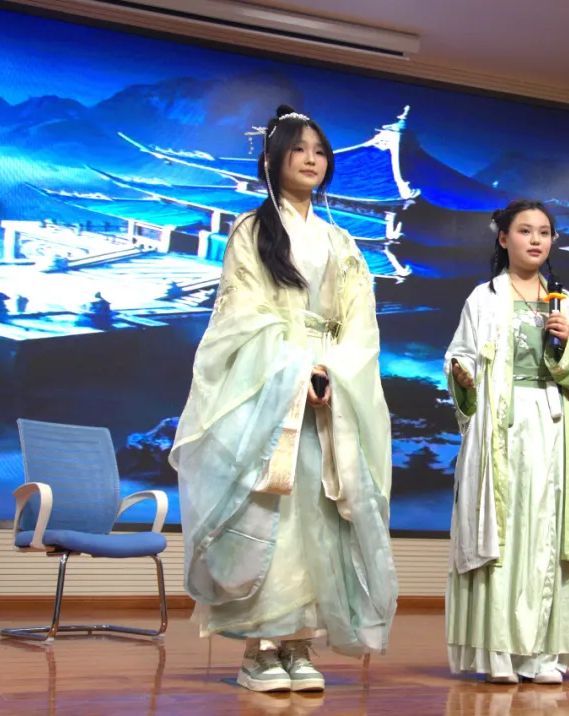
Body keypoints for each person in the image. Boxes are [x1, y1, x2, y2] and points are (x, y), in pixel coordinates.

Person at [169, 105, 398, 693]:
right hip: (271, 387)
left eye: (320, 151)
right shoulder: (251, 232)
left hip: (330, 391)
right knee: (271, 513)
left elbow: (360, 321)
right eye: (299, 149)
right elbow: (241, 313)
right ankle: (258, 650)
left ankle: (298, 644)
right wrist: (297, 369)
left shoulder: (341, 240)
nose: (312, 159)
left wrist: (336, 372)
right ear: (273, 159)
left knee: (322, 516)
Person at [444, 199, 569, 684]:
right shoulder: (483, 298)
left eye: (544, 232)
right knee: (503, 534)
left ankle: (543, 656)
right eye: (525, 230)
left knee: (547, 533)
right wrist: (462, 376)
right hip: (500, 424)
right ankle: (498, 654)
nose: (536, 239)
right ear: (503, 238)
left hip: (551, 426)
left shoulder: (564, 301)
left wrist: (567, 343)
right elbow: (459, 356)